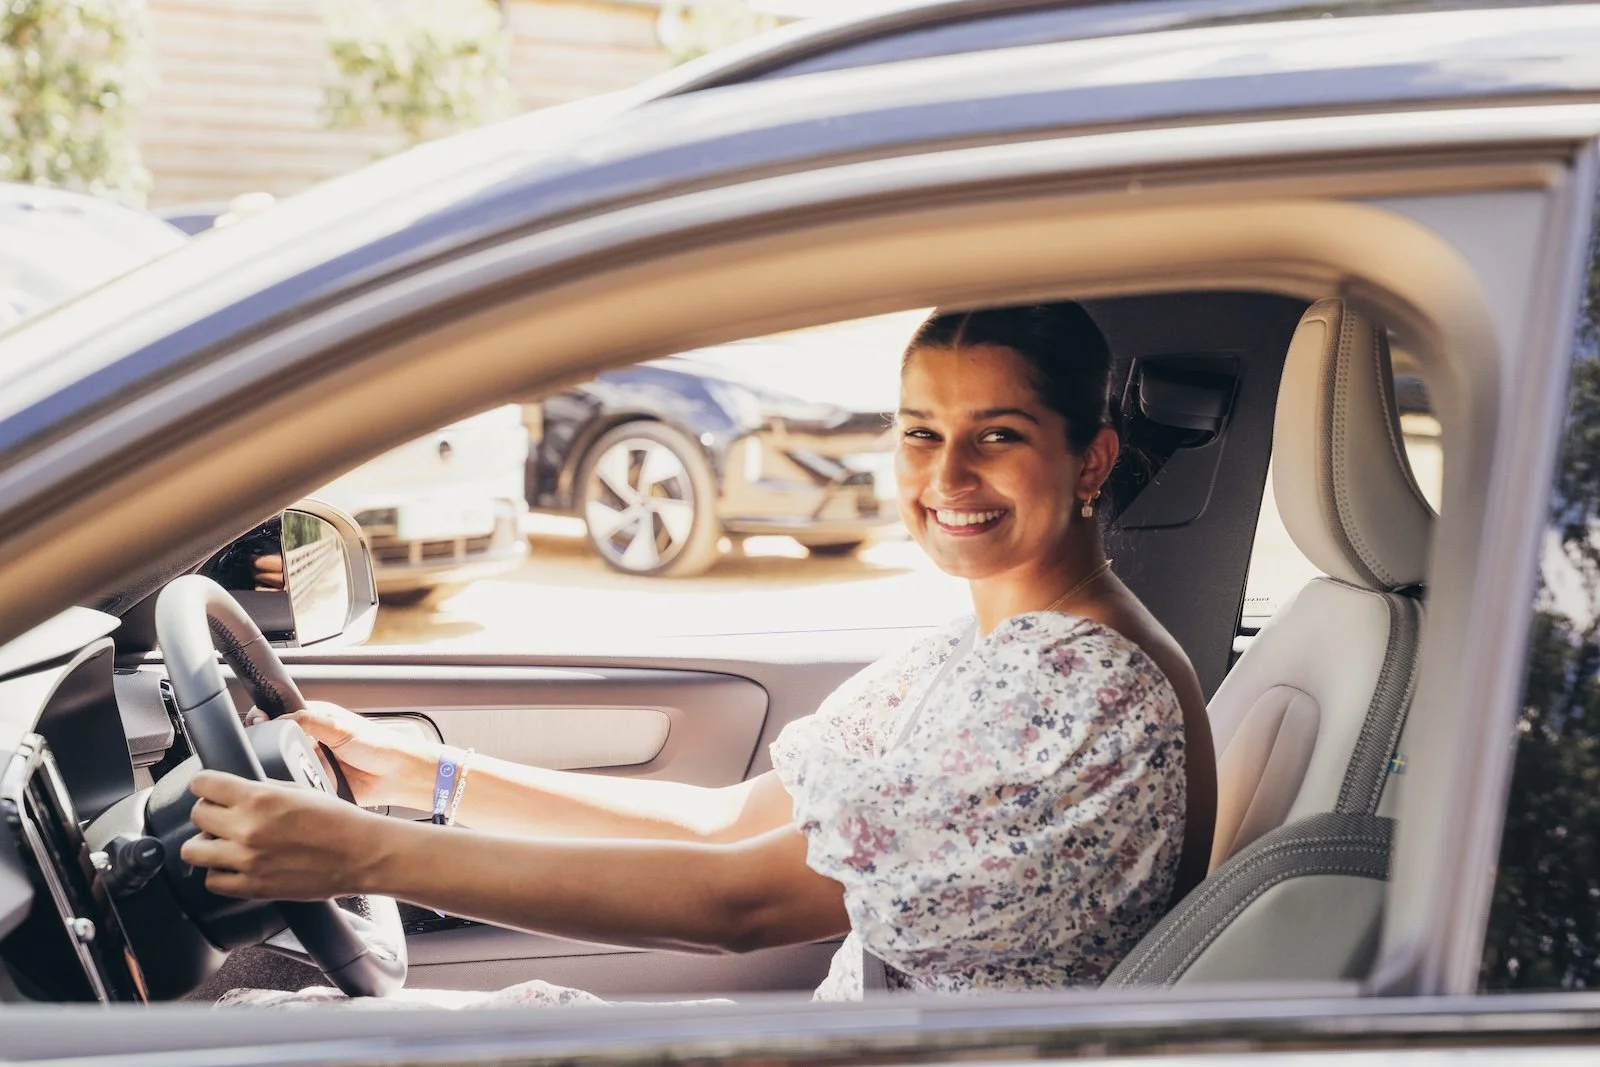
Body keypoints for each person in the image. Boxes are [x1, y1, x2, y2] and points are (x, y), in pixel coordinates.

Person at [185, 302, 1216, 1009]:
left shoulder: (1084, 693)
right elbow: (727, 819)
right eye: (918, 432)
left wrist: (362, 851)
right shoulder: (978, 648)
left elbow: (743, 901)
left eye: (995, 434)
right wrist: (420, 775)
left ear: (1091, 459)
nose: (944, 472)